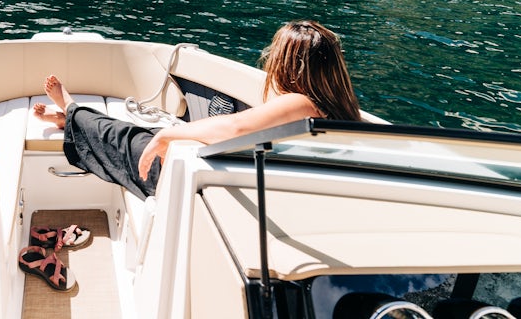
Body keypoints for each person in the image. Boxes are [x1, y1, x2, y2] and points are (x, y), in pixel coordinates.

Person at [32, 20, 362, 200]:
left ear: (290, 66)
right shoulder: (345, 114)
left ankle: (71, 108)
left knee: (117, 135)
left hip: (190, 176)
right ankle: (70, 119)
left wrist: (172, 131)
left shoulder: (300, 104)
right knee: (131, 133)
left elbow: (235, 129)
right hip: (231, 176)